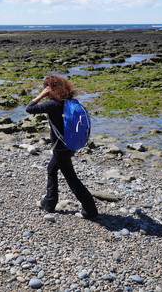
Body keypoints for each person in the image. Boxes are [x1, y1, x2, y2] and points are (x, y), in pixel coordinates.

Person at [25, 75, 98, 219]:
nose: (45, 91)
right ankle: (49, 203)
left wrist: (42, 95)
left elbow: (29, 108)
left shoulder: (52, 105)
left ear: (51, 89)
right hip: (70, 145)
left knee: (72, 179)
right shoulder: (70, 101)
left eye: (47, 88)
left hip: (60, 148)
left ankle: (90, 210)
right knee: (51, 169)